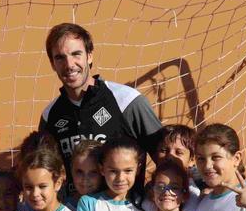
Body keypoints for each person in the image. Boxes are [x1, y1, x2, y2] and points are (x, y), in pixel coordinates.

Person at [37, 23, 163, 195]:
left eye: (76, 54)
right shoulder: (50, 115)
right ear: (52, 64)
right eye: (60, 58)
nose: (69, 64)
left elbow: (166, 160)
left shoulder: (127, 101)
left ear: (89, 55)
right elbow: (44, 172)